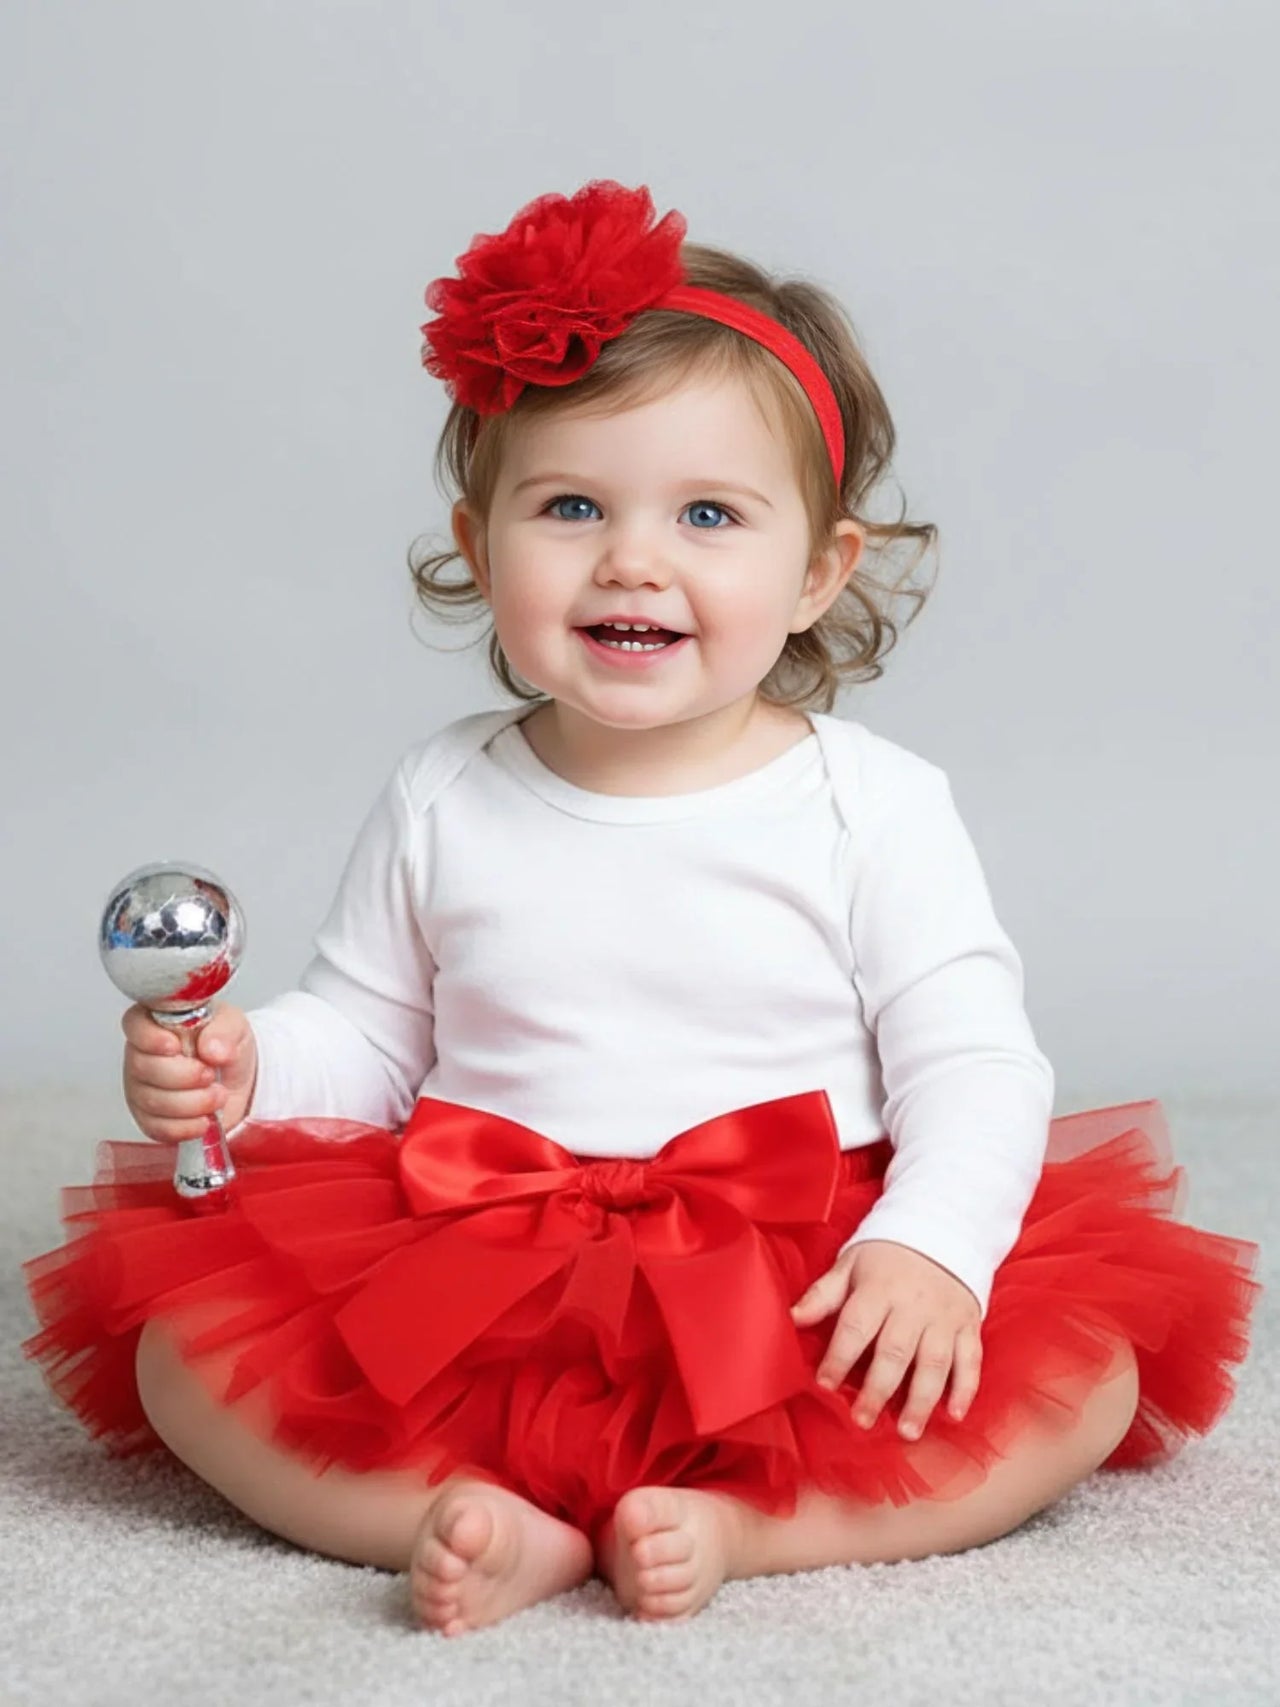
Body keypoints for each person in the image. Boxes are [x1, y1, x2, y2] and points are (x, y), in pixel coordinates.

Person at [22, 179, 1261, 1638]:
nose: (631, 558)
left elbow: (974, 1061)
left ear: (818, 572)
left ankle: (748, 1527)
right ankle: (476, 1522)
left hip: (798, 1258)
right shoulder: (445, 792)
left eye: (709, 515)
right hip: (482, 1245)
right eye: (570, 507)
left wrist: (929, 1245)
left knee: (1080, 1380)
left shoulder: (872, 804)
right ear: (480, 545)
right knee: (187, 1361)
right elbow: (370, 1035)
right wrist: (246, 1069)